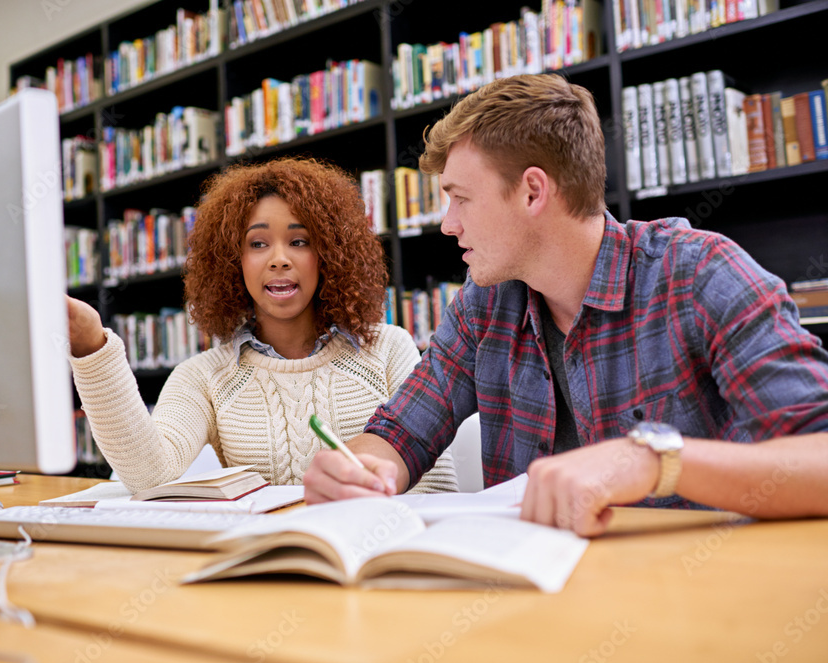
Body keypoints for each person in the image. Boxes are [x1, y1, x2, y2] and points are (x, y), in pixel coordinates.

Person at [303, 73, 828, 535]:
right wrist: (366, 468)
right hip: (538, 608)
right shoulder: (483, 304)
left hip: (698, 610)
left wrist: (654, 461)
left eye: (460, 197)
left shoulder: (700, 275)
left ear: (533, 192)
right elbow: (402, 432)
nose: (448, 224)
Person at [66, 157, 458, 493]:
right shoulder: (205, 377)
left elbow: (436, 488)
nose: (279, 259)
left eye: (300, 241)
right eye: (257, 244)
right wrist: (90, 346)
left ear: (329, 255)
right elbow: (149, 476)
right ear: (231, 261)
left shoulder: (388, 349)